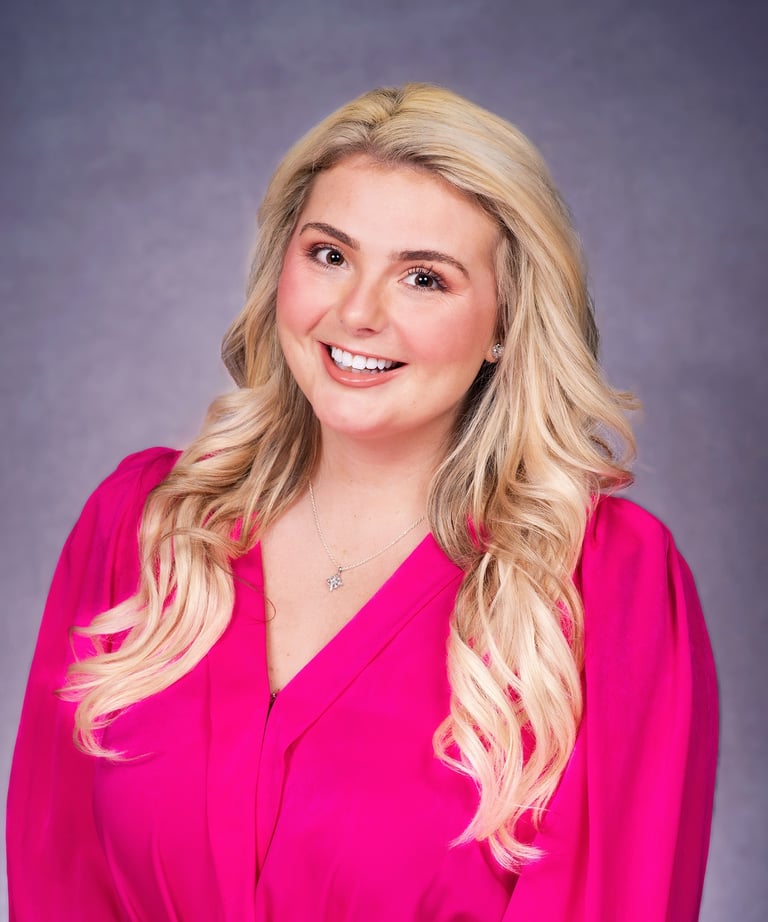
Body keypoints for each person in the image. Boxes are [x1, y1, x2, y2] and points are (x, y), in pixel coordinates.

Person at [7, 83, 718, 921]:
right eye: (330, 255)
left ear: (504, 324)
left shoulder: (607, 581)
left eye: (423, 277)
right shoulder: (142, 524)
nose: (356, 313)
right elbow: (57, 879)